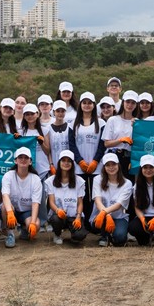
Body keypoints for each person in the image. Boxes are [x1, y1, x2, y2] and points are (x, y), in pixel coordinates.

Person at [69, 91, 106, 225]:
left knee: (95, 194)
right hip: (79, 166)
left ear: (94, 105)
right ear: (80, 105)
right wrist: (80, 161)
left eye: (89, 103)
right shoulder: (73, 124)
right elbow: (71, 145)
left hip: (97, 166)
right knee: (82, 195)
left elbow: (102, 145)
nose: (86, 105)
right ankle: (82, 221)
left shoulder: (101, 123)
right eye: (84, 103)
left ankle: (93, 221)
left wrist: (95, 161)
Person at [0, 147, 42, 248]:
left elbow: (35, 203)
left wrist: (33, 223)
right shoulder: (8, 175)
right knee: (5, 207)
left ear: (30, 161)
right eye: (20, 157)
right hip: (11, 210)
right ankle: (10, 234)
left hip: (26, 211)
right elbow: (5, 195)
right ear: (15, 161)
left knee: (37, 224)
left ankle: (24, 229)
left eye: (26, 157)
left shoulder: (35, 179)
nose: (23, 159)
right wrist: (9, 212)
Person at [90, 153, 134, 247]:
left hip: (119, 217)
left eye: (113, 164)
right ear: (104, 167)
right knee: (99, 222)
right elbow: (98, 200)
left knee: (120, 238)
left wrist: (106, 212)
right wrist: (106, 214)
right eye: (108, 165)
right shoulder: (97, 179)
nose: (111, 167)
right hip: (100, 216)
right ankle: (104, 236)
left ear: (118, 165)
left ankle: (115, 236)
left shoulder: (127, 183)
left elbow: (119, 204)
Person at [45, 150, 88, 244]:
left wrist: (78, 217)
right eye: (63, 160)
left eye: (69, 161)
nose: (66, 163)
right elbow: (51, 202)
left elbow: (80, 202)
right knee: (56, 219)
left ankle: (74, 234)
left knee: (79, 236)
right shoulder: (51, 181)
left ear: (72, 164)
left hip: (73, 215)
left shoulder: (79, 181)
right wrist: (57, 210)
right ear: (59, 162)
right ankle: (57, 234)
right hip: (59, 215)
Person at [102, 90, 138, 180]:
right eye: (128, 102)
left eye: (133, 103)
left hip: (129, 158)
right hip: (114, 156)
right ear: (123, 103)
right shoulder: (113, 120)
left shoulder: (137, 122)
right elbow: (106, 143)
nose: (130, 105)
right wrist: (121, 140)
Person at [19, 103, 54, 179]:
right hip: (27, 170)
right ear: (24, 116)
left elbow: (47, 151)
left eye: (32, 114)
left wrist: (41, 143)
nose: (30, 116)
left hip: (43, 169)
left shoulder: (45, 130)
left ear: (37, 114)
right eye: (27, 114)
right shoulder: (21, 132)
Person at [48, 100, 72, 171]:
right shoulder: (48, 129)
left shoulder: (70, 127)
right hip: (55, 164)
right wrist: (51, 164)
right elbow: (48, 150)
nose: (60, 113)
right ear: (53, 112)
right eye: (58, 111)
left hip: (68, 165)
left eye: (62, 111)